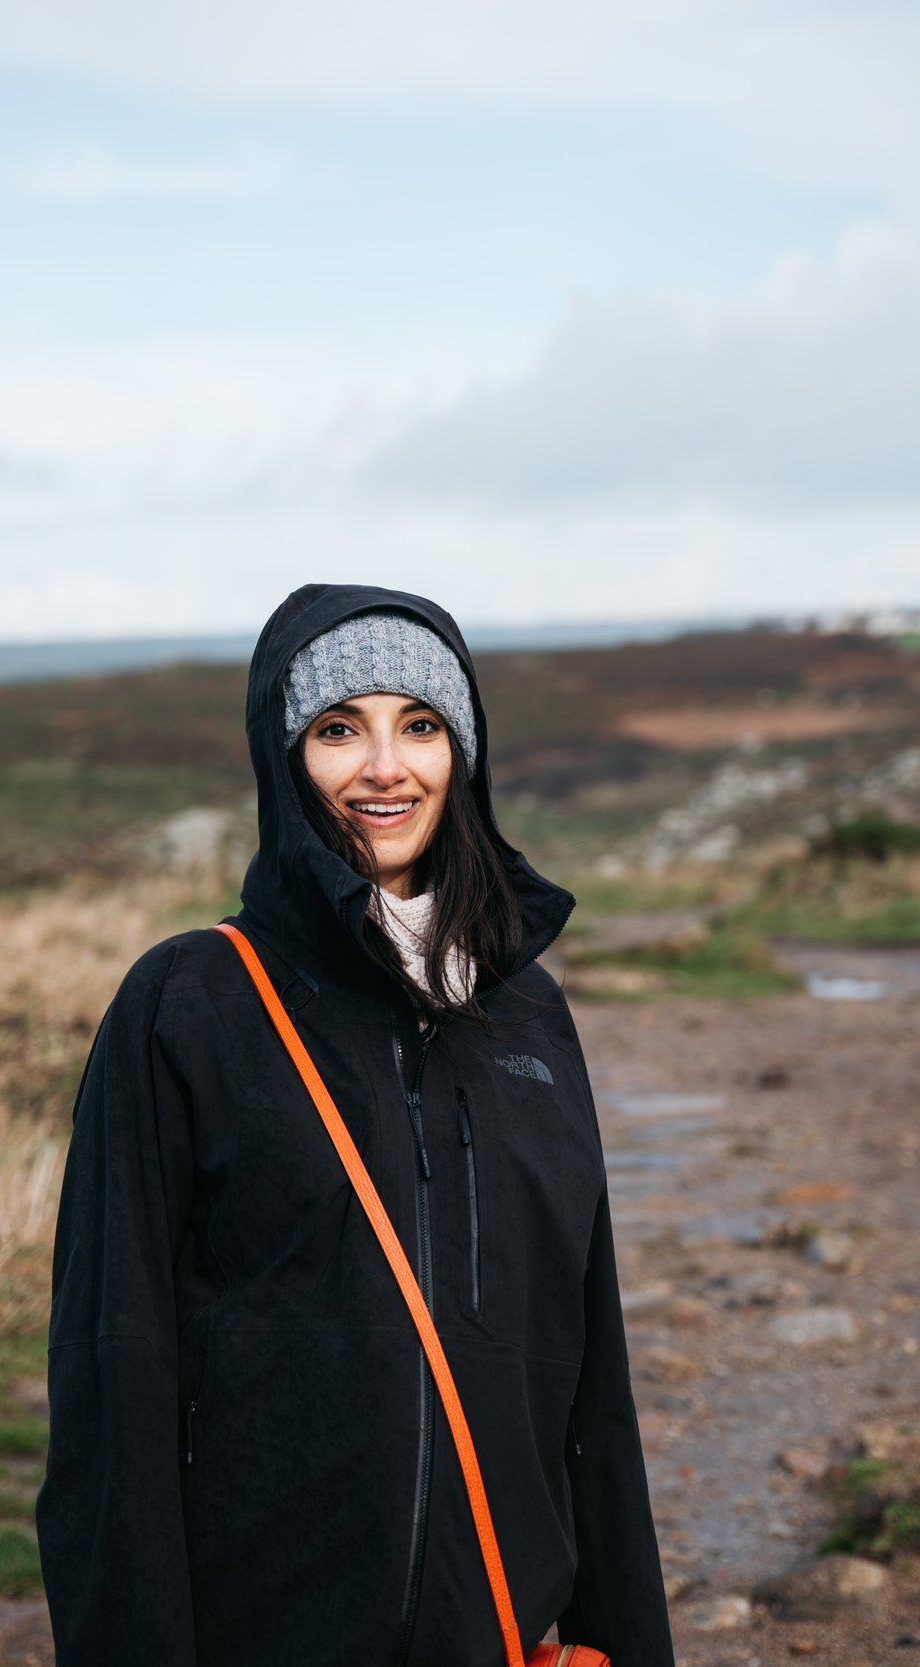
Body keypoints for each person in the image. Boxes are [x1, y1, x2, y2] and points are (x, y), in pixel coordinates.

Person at [37, 584, 674, 1665]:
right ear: (284, 759)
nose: (386, 767)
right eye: (340, 729)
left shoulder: (527, 1014)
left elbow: (589, 1379)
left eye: (420, 725)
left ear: (462, 754)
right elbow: (116, 1371)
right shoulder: (189, 1000)